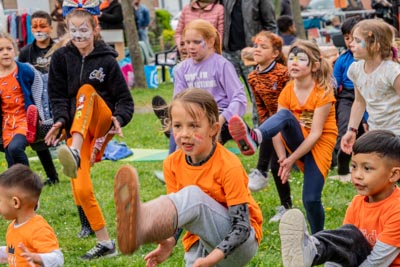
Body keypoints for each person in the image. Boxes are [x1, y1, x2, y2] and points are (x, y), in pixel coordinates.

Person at [114, 88, 263, 266]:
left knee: (194, 196)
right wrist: (169, 241)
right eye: (178, 126)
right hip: (200, 242)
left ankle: (141, 223)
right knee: (186, 199)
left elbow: (242, 228)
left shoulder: (229, 164)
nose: (184, 133)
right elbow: (179, 214)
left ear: (213, 129)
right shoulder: (171, 163)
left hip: (240, 245)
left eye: (193, 126)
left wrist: (212, 259)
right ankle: (139, 225)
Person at [45, 2, 134, 260]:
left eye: (83, 30)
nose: (78, 36)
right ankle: (105, 243)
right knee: (81, 188)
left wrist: (119, 118)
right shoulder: (61, 58)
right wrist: (60, 121)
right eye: (73, 31)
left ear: (95, 28)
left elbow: (125, 101)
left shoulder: (107, 60)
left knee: (86, 90)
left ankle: (72, 150)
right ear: (66, 29)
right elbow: (58, 97)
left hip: (100, 122)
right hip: (76, 130)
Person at [228, 39, 338, 234]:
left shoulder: (323, 93)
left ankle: (319, 239)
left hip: (318, 145)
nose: (294, 62)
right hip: (296, 139)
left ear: (315, 66)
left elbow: (316, 134)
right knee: (283, 116)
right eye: (292, 58)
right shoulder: (287, 90)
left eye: (301, 59)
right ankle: (255, 137)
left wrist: (291, 160)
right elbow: (278, 126)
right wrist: (281, 158)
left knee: (311, 199)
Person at [279, 130, 400, 267]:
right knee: (347, 237)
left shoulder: (397, 209)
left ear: (394, 175)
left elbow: (378, 262)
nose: (357, 175)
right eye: (354, 166)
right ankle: (312, 249)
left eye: (367, 168)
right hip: (363, 261)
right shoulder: (357, 203)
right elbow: (343, 247)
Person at [172, 19, 248, 153]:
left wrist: (224, 117)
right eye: (187, 42)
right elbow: (178, 100)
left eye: (196, 42)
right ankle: (174, 167)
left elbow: (239, 98)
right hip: (192, 116)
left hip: (219, 117)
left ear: (211, 41)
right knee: (178, 131)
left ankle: (243, 134)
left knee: (203, 140)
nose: (190, 47)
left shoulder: (222, 65)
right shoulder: (181, 69)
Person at [245, 31, 292, 223]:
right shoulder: (253, 77)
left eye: (263, 47)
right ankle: (286, 207)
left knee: (275, 162)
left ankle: (260, 171)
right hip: (271, 125)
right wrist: (265, 128)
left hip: (289, 120)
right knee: (277, 165)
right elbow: (260, 106)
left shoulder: (284, 73)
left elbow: (290, 101)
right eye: (256, 45)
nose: (257, 49)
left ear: (274, 53)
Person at [341, 19, 400, 155]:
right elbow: (359, 102)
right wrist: (352, 130)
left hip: (397, 133)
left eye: (357, 40)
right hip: (376, 132)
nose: (351, 44)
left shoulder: (392, 71)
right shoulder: (356, 69)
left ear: (375, 46)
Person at [18, 10, 60, 186]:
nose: (38, 29)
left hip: (57, 98)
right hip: (36, 102)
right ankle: (52, 176)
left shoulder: (60, 48)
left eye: (43, 26)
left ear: (51, 28)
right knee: (39, 139)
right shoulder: (26, 52)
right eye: (34, 26)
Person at [221, 0, 277, 127]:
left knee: (257, 95)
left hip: (252, 53)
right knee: (226, 96)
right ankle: (232, 130)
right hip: (229, 54)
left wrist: (262, 50)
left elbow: (271, 26)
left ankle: (260, 130)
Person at [0, 164, 64, 266]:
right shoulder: (13, 226)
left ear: (15, 203)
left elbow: (58, 258)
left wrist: (37, 258)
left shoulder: (38, 229)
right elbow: (13, 252)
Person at [0, 32, 45, 169]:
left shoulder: (24, 70)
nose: (5, 53)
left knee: (15, 148)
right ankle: (14, 187)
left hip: (25, 119)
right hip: (7, 122)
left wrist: (42, 115)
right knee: (10, 158)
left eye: (9, 48)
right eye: (0, 50)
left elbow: (39, 89)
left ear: (15, 50)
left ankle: (28, 182)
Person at [330, 16, 366, 183]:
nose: (351, 42)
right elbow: (334, 84)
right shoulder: (342, 60)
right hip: (347, 97)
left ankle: (367, 165)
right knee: (344, 128)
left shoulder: (368, 59)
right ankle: (342, 167)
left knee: (368, 131)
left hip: (368, 95)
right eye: (347, 38)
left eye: (355, 38)